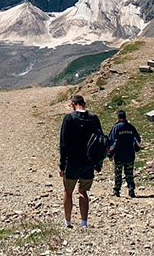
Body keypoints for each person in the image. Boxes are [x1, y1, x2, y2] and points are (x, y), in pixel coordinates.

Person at [58, 94, 103, 228]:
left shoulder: (69, 119)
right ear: (85, 103)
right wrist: (98, 163)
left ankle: (68, 221)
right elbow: (100, 141)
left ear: (73, 104)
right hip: (88, 162)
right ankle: (84, 222)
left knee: (68, 191)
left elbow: (63, 143)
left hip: (72, 162)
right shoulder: (93, 119)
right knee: (83, 192)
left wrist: (62, 164)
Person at [107, 109, 142, 198]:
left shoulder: (116, 128)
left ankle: (117, 191)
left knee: (118, 173)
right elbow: (138, 140)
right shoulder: (131, 127)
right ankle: (131, 190)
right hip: (130, 154)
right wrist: (136, 149)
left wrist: (110, 154)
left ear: (118, 117)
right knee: (129, 173)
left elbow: (112, 142)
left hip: (119, 155)